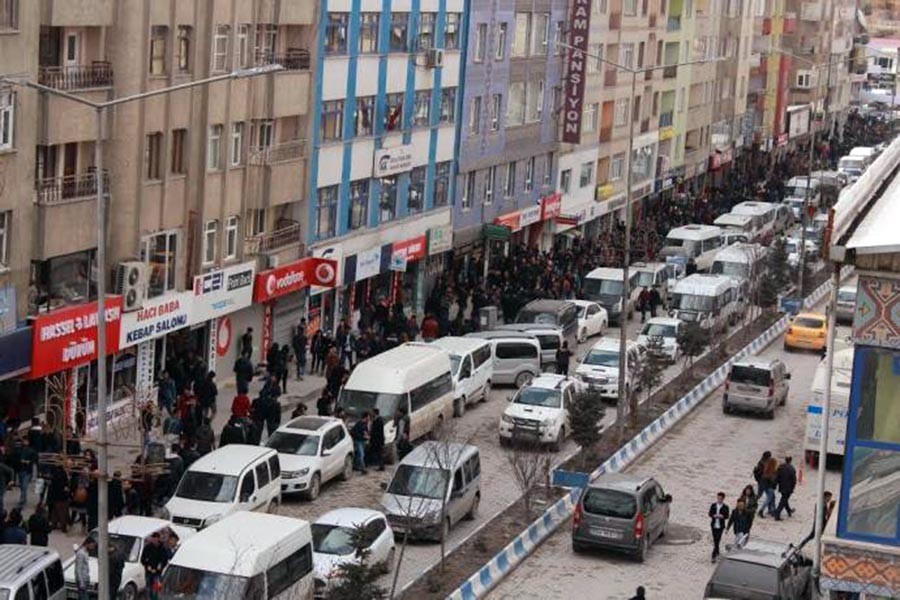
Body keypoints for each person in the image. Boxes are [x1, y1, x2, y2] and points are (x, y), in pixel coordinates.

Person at [141, 531, 168, 600]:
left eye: (156, 539)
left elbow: (165, 560)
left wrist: (161, 565)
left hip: (157, 573)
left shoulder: (162, 548)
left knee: (156, 589)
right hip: (149, 571)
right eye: (153, 539)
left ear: (159, 539)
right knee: (148, 588)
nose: (154, 541)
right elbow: (143, 559)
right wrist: (147, 566)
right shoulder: (147, 547)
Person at [773, 455, 797, 520]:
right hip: (788, 488)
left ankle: (789, 511)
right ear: (790, 460)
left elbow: (777, 476)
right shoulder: (792, 468)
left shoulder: (781, 467)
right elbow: (794, 480)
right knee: (783, 500)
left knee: (784, 499)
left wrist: (776, 484)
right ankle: (777, 514)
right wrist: (793, 487)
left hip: (781, 486)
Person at [16, 437, 36, 510]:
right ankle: (24, 498)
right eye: (24, 441)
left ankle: (22, 501)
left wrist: (28, 462)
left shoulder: (31, 450)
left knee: (24, 486)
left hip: (27, 471)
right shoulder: (19, 450)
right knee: (22, 486)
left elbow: (34, 460)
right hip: (21, 470)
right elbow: (16, 459)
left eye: (26, 441)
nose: (25, 442)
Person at [709, 491, 730, 562]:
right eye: (718, 498)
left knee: (717, 539)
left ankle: (713, 555)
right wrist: (713, 515)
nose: (719, 499)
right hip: (714, 525)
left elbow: (727, 516)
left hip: (720, 526)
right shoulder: (713, 505)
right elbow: (710, 513)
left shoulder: (725, 507)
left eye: (720, 498)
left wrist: (722, 516)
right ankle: (717, 550)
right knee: (715, 540)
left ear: (723, 499)